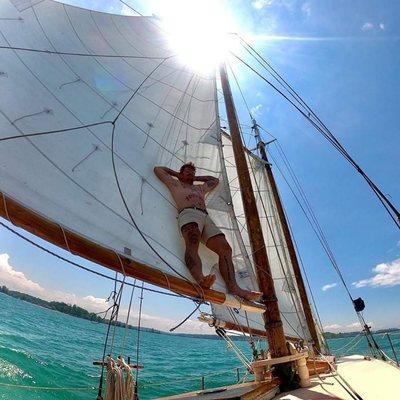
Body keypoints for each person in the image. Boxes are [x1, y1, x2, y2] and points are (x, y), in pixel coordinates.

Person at [154, 162, 262, 302]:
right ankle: (201, 280)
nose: (190, 174)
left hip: (205, 216)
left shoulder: (200, 188)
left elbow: (214, 180)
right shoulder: (175, 184)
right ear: (181, 173)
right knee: (193, 240)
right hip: (188, 213)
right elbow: (158, 169)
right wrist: (177, 175)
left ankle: (234, 288)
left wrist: (195, 177)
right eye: (187, 172)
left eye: (192, 172)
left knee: (225, 249)